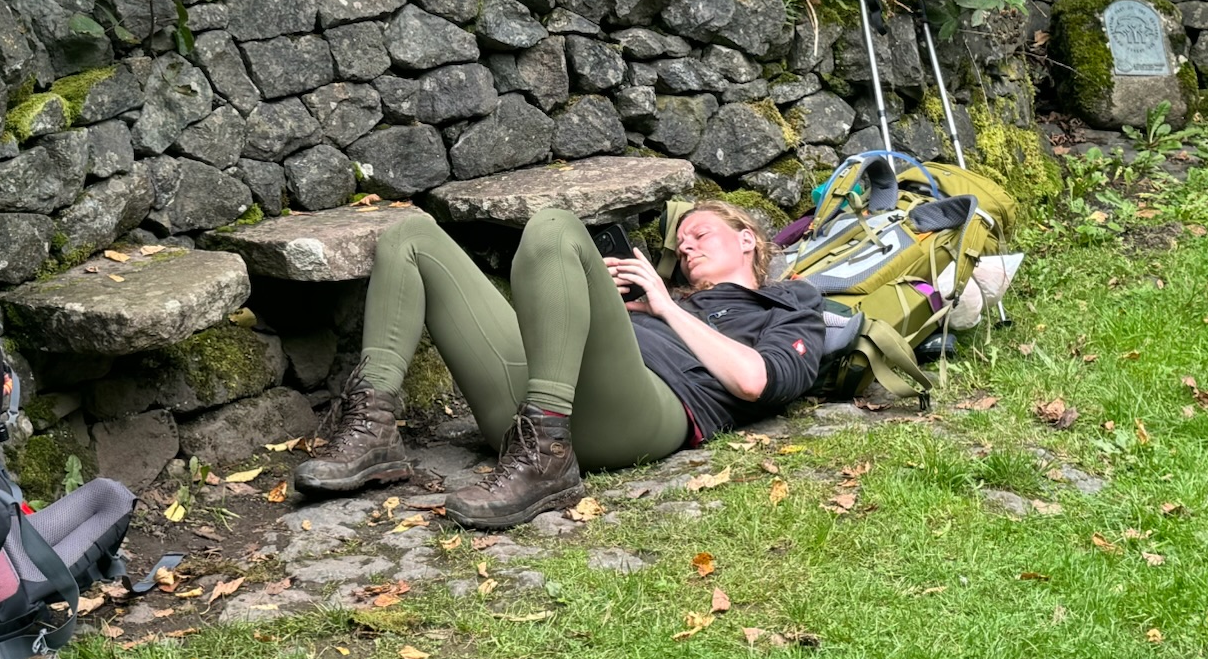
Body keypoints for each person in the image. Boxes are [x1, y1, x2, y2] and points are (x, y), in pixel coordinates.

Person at [293, 202, 826, 529]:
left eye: (700, 235)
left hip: (643, 412)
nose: (686, 248)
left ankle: (548, 462)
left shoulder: (788, 301)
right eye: (681, 243)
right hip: (525, 414)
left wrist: (665, 307)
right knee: (410, 235)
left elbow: (755, 381)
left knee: (553, 227)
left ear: (747, 238)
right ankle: (372, 427)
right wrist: (604, 303)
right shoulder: (665, 298)